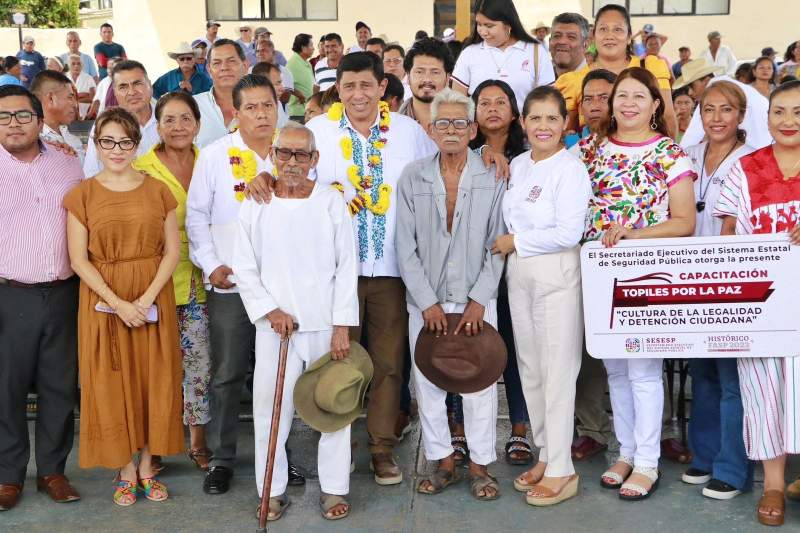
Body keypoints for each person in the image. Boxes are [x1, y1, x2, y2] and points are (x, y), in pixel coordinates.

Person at [305, 52, 437, 486]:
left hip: (391, 269)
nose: (358, 94)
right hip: (333, 273)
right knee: (339, 362)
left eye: (367, 85)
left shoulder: (408, 133)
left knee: (388, 362)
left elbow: (436, 179)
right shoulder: (316, 134)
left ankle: (381, 447)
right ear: (336, 91)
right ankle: (339, 448)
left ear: (383, 88)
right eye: (349, 86)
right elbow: (292, 184)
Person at [576, 67, 697, 500]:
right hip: (599, 276)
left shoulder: (670, 154)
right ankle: (625, 452)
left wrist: (633, 235)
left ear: (655, 105)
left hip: (648, 273)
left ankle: (648, 462)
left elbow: (685, 221)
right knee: (615, 370)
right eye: (620, 96)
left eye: (638, 96)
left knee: (645, 371)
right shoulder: (589, 150)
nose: (628, 103)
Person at [233, 121, 359, 521]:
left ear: (314, 159)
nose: (290, 162)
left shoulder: (330, 202)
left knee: (334, 406)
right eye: (283, 153)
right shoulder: (256, 203)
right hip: (274, 328)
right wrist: (270, 311)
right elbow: (244, 266)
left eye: (300, 155)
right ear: (272, 155)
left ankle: (335, 489)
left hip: (324, 325)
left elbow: (346, 266)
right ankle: (270, 491)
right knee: (271, 410)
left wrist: (342, 325)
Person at [64, 106, 183, 506]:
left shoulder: (157, 190)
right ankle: (125, 468)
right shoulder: (81, 194)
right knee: (111, 382)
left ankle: (149, 464)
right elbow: (79, 259)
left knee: (156, 380)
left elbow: (172, 252)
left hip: (153, 298)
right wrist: (119, 304)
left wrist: (145, 299)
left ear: (137, 144)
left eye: (125, 142)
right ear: (96, 145)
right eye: (108, 141)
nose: (117, 149)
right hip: (103, 301)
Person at [396, 88, 505, 501]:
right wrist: (426, 301)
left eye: (460, 123)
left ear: (473, 129)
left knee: (479, 384)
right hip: (427, 302)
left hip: (476, 297)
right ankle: (442, 461)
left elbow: (499, 240)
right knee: (428, 381)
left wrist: (480, 298)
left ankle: (479, 464)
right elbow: (404, 246)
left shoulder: (492, 174)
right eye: (443, 123)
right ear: (431, 129)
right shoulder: (413, 175)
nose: (452, 130)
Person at [492, 86, 590, 506]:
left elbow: (569, 232)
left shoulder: (571, 169)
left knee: (558, 373)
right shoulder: (518, 163)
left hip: (556, 279)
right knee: (530, 370)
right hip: (521, 278)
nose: (544, 126)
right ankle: (547, 453)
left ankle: (563, 469)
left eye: (553, 119)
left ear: (564, 124)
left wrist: (516, 241)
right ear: (523, 123)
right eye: (536, 118)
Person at [186, 74, 279, 496]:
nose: (261, 114)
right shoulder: (214, 156)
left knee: (279, 373)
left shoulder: (292, 153)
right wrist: (210, 264)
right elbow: (196, 218)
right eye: (252, 108)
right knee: (226, 375)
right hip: (231, 286)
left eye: (267, 105)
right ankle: (223, 459)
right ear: (234, 113)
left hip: (283, 288)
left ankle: (278, 457)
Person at [714, 80, 800, 526]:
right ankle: (772, 483)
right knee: (763, 389)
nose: (788, 121)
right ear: (766, 119)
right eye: (780, 112)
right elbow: (727, 233)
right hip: (762, 303)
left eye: (798, 112)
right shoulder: (745, 168)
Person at [0, 85, 84, 512]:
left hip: (65, 291)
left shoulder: (70, 164)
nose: (13, 123)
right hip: (8, 294)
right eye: (3, 117)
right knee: (6, 387)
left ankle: (53, 470)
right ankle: (7, 475)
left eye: (21, 115)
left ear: (39, 119)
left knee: (59, 386)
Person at [679, 81, 755, 501]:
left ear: (741, 116)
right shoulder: (687, 156)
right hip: (690, 279)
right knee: (702, 371)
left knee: (731, 376)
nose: (716, 118)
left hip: (733, 279)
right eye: (708, 109)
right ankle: (705, 456)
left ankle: (732, 466)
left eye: (726, 110)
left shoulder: (753, 161)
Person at [132, 92, 213, 472]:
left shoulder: (210, 161)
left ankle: (198, 441)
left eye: (185, 119)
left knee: (199, 363)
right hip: (156, 280)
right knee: (158, 367)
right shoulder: (143, 167)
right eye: (169, 120)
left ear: (197, 123)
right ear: (157, 125)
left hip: (203, 278)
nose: (178, 127)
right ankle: (157, 443)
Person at [568, 69, 617, 462]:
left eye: (604, 96)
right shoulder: (573, 153)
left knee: (643, 351)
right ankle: (593, 430)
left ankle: (660, 430)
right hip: (584, 262)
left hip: (634, 260)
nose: (596, 105)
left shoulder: (643, 146)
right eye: (589, 98)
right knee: (590, 351)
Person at [555, 4, 676, 138]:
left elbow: (668, 118)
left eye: (617, 29)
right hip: (591, 156)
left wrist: (663, 157)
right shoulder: (573, 80)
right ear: (593, 36)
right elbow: (568, 133)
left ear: (629, 36)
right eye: (603, 29)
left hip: (648, 156)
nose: (609, 36)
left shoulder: (650, 67)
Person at [452, 0, 555, 111]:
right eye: (479, 24)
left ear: (508, 24)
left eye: (489, 26)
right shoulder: (470, 53)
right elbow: (458, 103)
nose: (483, 32)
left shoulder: (536, 52)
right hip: (479, 128)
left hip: (524, 128)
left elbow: (547, 100)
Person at [83, 60, 159, 177]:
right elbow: (92, 173)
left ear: (149, 84)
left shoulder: (169, 117)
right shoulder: (104, 126)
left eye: (137, 83)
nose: (132, 92)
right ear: (114, 92)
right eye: (123, 87)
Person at [676, 58, 771, 150]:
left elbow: (692, 136)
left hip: (754, 152)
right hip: (766, 148)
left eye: (691, 87)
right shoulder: (730, 85)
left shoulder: (714, 93)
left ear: (705, 80)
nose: (690, 93)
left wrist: (676, 158)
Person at [194, 39, 249, 148]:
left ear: (245, 65)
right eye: (217, 63)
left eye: (231, 61)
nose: (224, 67)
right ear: (209, 70)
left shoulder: (266, 104)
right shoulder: (192, 106)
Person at [398, 38, 452, 132]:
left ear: (447, 78)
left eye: (435, 72)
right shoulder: (391, 125)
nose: (427, 79)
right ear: (408, 76)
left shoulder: (463, 123)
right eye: (419, 72)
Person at [31, 70, 85, 164]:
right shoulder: (32, 145)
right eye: (70, 97)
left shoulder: (71, 138)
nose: (75, 105)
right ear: (51, 99)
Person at [565, 68, 616, 148]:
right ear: (581, 108)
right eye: (588, 99)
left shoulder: (636, 144)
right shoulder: (565, 146)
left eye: (604, 98)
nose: (594, 107)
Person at [549, 12, 590, 78]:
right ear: (549, 42)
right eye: (557, 36)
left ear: (585, 45)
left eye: (571, 37)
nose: (562, 42)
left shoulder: (594, 83)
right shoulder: (541, 79)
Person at [287, 33, 315, 121]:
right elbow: (285, 86)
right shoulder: (292, 63)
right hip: (297, 113)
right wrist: (299, 95)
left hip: (308, 111)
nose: (313, 48)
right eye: (311, 45)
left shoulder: (307, 63)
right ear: (303, 48)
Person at [252, 62, 290, 127]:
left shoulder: (277, 104)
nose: (282, 89)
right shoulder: (247, 111)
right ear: (261, 84)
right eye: (277, 83)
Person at [67, 54, 96, 120]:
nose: (76, 66)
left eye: (78, 63)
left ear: (82, 65)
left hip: (86, 116)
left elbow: (92, 99)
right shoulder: (64, 78)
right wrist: (83, 95)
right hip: (67, 116)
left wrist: (73, 97)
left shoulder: (89, 78)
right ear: (69, 65)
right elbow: (63, 99)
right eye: (73, 64)